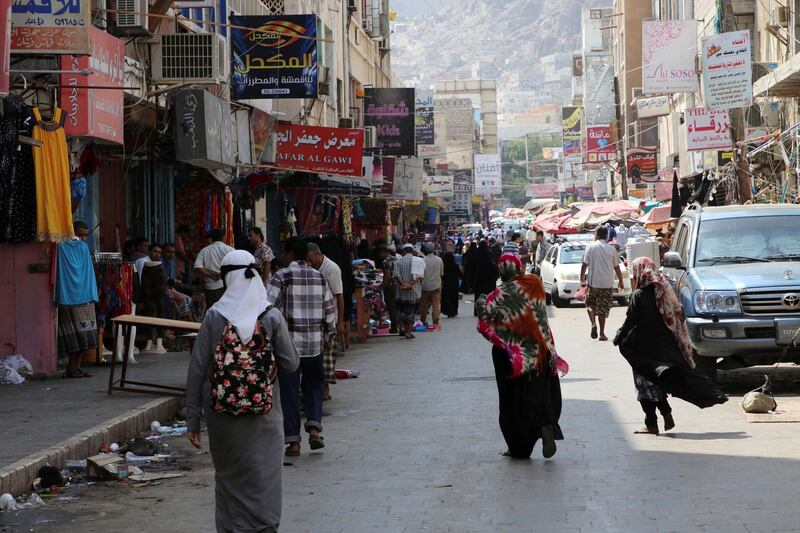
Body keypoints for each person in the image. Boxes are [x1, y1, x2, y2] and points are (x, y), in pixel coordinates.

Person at [186, 250, 299, 532]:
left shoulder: (214, 316)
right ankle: (264, 526)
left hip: (221, 415)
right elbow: (292, 362)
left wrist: (192, 418)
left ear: (227, 278)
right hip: (264, 415)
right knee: (265, 476)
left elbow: (197, 370)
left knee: (228, 477)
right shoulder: (270, 315)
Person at [614, 257, 727, 434]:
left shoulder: (638, 295)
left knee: (644, 386)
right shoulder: (665, 292)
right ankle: (659, 418)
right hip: (664, 348)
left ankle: (654, 421)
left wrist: (619, 336)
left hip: (643, 349)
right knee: (656, 383)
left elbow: (631, 320)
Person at [476, 253, 566, 459]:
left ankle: (518, 448)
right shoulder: (534, 283)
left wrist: (481, 301)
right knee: (539, 395)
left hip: (511, 357)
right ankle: (544, 425)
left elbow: (484, 321)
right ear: (519, 267)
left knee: (512, 401)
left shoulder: (496, 296)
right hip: (539, 353)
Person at [267, 237, 336, 456]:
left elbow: (268, 308)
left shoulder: (282, 276)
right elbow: (329, 310)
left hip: (288, 347)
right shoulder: (319, 277)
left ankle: (294, 442)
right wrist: (329, 336)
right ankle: (314, 428)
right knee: (313, 386)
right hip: (314, 344)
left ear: (289, 253)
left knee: (289, 393)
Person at [57, 221, 99, 378]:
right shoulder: (61, 246)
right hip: (71, 297)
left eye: (84, 235)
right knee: (73, 337)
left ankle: (78, 366)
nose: (81, 238)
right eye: (79, 233)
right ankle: (71, 367)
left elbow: (88, 271)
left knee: (84, 336)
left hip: (82, 297)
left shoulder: (82, 247)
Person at [307, 243, 344, 398]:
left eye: (310, 259)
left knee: (327, 356)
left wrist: (339, 322)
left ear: (318, 254)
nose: (309, 263)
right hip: (315, 317)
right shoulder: (312, 269)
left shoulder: (331, 269)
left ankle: (325, 389)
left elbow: (339, 295)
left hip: (329, 318)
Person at [580, 226, 624, 341]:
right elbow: (617, 267)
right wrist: (621, 280)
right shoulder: (612, 249)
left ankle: (593, 323)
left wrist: (582, 280)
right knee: (603, 310)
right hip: (607, 284)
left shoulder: (590, 247)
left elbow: (584, 264)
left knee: (590, 305)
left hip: (593, 283)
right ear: (606, 235)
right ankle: (602, 334)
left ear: (597, 234)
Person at [194, 228, 235, 311]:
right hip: (228, 285)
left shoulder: (205, 250)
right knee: (227, 310)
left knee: (214, 311)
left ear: (212, 238)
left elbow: (198, 266)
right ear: (224, 237)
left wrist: (211, 275)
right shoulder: (230, 250)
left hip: (211, 287)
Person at [394, 243, 423, 338]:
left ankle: (402, 328)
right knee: (411, 312)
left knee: (401, 311)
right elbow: (419, 276)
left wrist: (403, 284)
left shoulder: (398, 261)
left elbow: (397, 275)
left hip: (400, 291)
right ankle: (408, 332)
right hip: (413, 291)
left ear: (403, 251)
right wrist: (410, 285)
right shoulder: (418, 261)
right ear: (412, 250)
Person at [471, 240, 499, 316]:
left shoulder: (476, 256)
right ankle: (489, 309)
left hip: (479, 280)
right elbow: (493, 267)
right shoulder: (489, 255)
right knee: (489, 295)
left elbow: (472, 269)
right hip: (489, 280)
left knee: (478, 296)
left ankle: (478, 311)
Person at [420, 243, 444, 327]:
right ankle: (435, 320)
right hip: (436, 285)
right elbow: (441, 273)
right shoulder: (439, 260)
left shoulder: (423, 260)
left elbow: (420, 274)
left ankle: (423, 320)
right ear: (434, 249)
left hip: (425, 286)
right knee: (436, 304)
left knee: (424, 305)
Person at [377, 244, 399, 334]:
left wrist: (381, 286)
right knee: (397, 307)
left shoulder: (386, 261)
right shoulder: (395, 259)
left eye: (380, 253)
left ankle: (394, 328)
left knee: (391, 307)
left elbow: (388, 276)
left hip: (390, 287)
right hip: (397, 285)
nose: (379, 255)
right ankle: (399, 326)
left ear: (384, 252)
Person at [441, 252, 462, 318]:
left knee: (447, 298)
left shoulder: (443, 266)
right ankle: (453, 311)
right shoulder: (455, 265)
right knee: (454, 298)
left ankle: (448, 311)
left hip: (446, 284)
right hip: (454, 284)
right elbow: (460, 275)